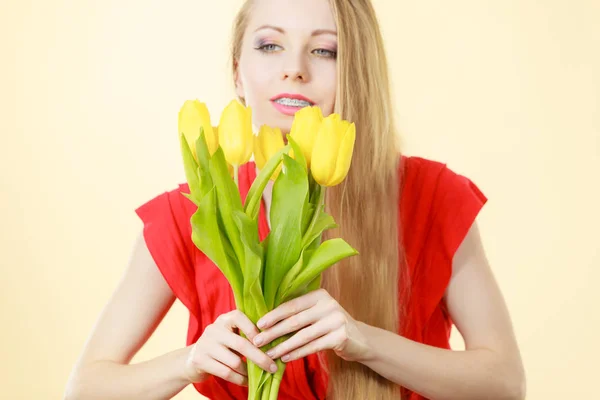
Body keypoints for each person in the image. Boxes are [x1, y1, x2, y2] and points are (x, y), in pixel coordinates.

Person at [65, 0, 526, 399]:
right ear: (237, 75)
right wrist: (190, 362)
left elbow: (505, 382)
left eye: (324, 50)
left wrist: (364, 342)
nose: (295, 68)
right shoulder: (188, 214)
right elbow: (85, 388)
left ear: (358, 74)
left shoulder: (432, 198)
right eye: (270, 46)